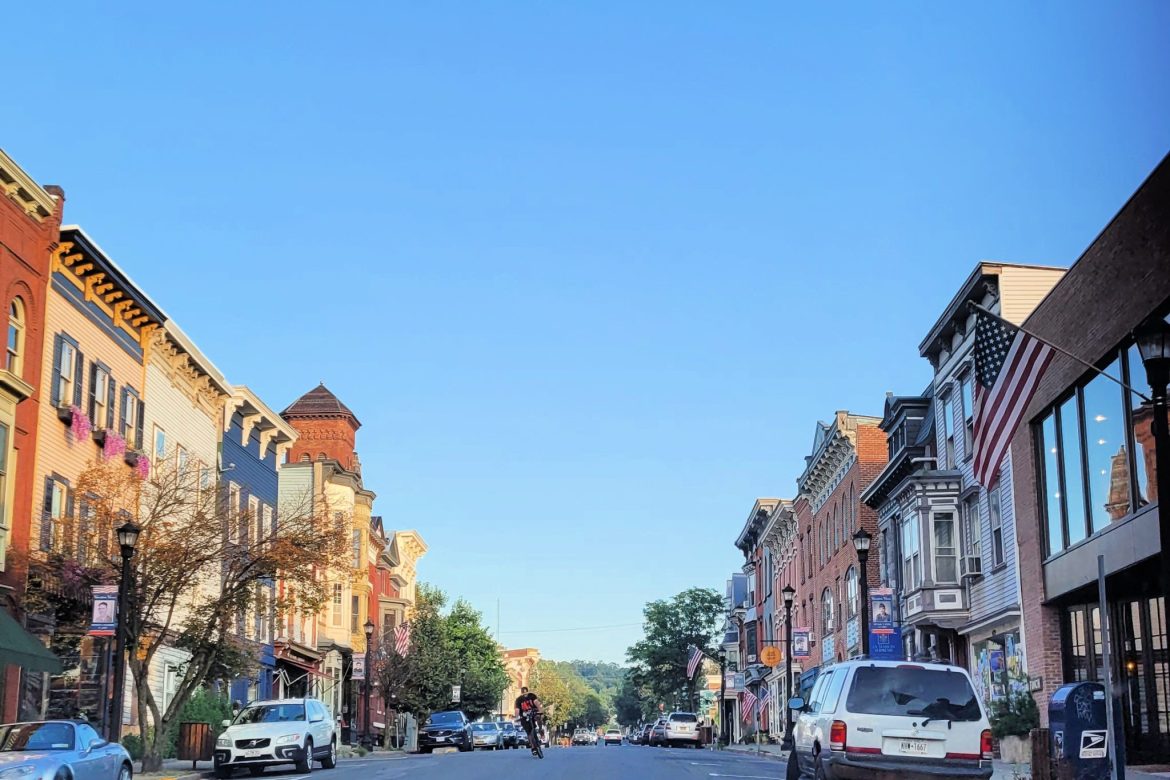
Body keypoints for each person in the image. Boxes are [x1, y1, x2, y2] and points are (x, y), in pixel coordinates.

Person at [514, 686, 543, 755]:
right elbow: (517, 710)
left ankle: (540, 729)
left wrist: (540, 711)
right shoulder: (518, 700)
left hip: (533, 712)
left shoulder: (532, 696)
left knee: (538, 717)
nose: (525, 695)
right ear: (521, 693)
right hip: (524, 716)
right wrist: (517, 717)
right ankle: (533, 748)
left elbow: (537, 703)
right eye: (523, 694)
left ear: (528, 691)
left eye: (526, 693)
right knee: (529, 732)